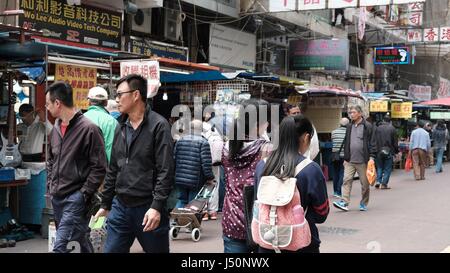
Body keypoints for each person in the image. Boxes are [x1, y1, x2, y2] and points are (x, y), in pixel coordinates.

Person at [94, 74, 175, 253]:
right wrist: (105, 204)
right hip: (120, 206)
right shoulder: (120, 126)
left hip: (148, 207)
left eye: (120, 94)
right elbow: (113, 168)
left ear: (136, 95)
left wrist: (157, 207)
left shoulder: (158, 126)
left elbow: (166, 170)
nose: (116, 100)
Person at [46, 82, 107, 253]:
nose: (47, 107)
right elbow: (51, 160)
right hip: (57, 197)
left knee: (61, 246)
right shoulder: (56, 128)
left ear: (58, 103)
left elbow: (100, 167)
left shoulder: (89, 129)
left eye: (48, 104)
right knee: (77, 241)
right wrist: (50, 184)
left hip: (76, 197)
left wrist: (83, 194)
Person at [254, 115, 329, 253]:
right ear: (306, 137)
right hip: (302, 243)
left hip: (267, 241)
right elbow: (321, 213)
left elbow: (257, 203)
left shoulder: (262, 166)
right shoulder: (311, 169)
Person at [222, 98, 271, 253]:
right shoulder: (267, 149)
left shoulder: (227, 146)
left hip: (232, 221)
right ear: (259, 124)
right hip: (260, 222)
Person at [333, 105, 377, 212]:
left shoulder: (368, 126)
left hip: (363, 161)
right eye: (350, 113)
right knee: (346, 180)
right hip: (349, 160)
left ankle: (363, 203)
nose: (351, 114)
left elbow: (373, 143)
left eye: (353, 112)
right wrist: (345, 158)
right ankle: (344, 202)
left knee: (365, 184)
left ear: (360, 113)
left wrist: (372, 157)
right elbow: (346, 142)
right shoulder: (349, 126)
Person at [174, 119, 215, 209]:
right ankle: (189, 222)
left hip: (180, 178)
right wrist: (210, 177)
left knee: (182, 200)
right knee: (194, 204)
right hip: (196, 180)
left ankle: (177, 221)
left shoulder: (180, 140)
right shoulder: (203, 142)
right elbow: (206, 163)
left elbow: (174, 158)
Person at [84, 87, 119, 163]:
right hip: (102, 171)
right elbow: (111, 151)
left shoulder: (79, 120)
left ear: (88, 101)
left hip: (80, 171)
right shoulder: (112, 122)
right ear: (106, 102)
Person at [374, 115, 399, 189]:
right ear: (390, 121)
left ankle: (378, 181)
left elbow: (374, 140)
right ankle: (384, 184)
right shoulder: (392, 128)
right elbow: (395, 142)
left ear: (383, 120)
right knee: (387, 168)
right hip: (389, 151)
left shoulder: (377, 128)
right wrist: (396, 151)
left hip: (378, 151)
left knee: (379, 167)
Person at [331, 117, 349, 198]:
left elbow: (333, 141)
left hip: (335, 155)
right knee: (342, 173)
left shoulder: (333, 132)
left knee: (335, 173)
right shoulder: (348, 133)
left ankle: (335, 191)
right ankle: (339, 191)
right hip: (344, 156)